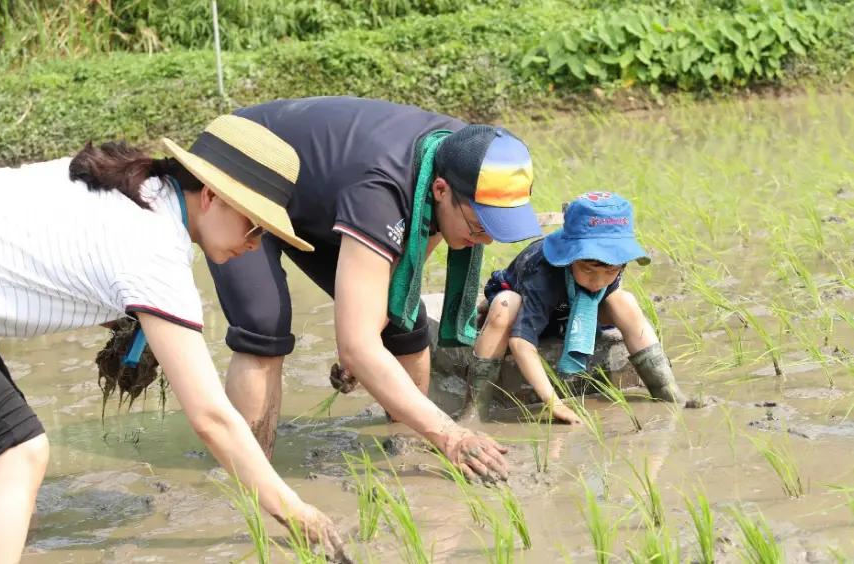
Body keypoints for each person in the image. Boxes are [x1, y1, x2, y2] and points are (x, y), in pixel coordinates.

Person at [0, 115, 348, 562]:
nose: (256, 244)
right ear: (211, 196)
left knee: (3, 477)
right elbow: (211, 418)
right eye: (256, 227)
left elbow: (53, 262)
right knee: (18, 456)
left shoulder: (139, 189)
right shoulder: (154, 250)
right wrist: (295, 511)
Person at [204, 96, 544, 483]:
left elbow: (404, 273)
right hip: (244, 165)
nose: (483, 239)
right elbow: (358, 343)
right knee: (263, 325)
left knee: (404, 321)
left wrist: (363, 341)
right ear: (440, 190)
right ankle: (248, 476)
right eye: (479, 226)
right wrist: (450, 433)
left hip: (322, 189)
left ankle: (406, 452)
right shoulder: (382, 191)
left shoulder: (465, 153)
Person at [459, 192, 689, 424]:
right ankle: (474, 411)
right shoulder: (542, 273)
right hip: (527, 308)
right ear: (569, 257)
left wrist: (602, 279)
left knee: (625, 301)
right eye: (588, 270)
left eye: (610, 272)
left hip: (570, 310)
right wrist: (554, 404)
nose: (598, 282)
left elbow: (606, 287)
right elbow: (520, 342)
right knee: (504, 305)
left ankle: (668, 392)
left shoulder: (611, 268)